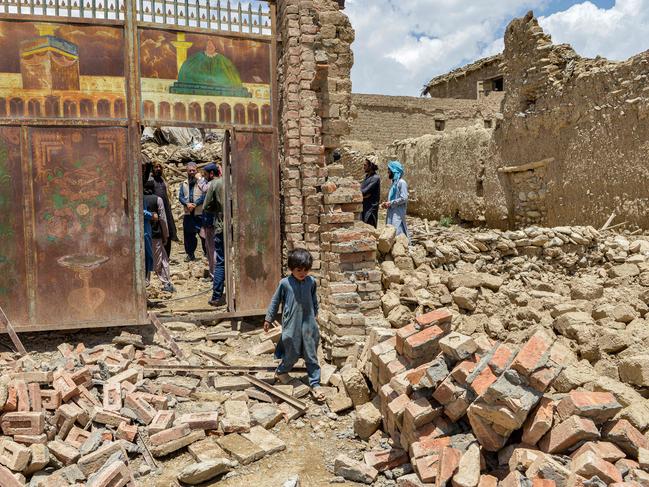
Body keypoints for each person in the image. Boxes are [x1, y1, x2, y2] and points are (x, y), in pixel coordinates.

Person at [263, 249, 324, 401]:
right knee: (291, 350)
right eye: (299, 270)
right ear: (291, 268)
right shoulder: (284, 283)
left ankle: (315, 383)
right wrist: (268, 319)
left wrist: (315, 315)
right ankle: (282, 371)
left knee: (311, 353)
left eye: (306, 270)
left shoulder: (311, 282)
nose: (303, 273)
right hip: (291, 324)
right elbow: (275, 301)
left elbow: (314, 300)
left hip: (309, 323)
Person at [143, 179, 175, 292]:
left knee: (145, 259)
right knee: (162, 259)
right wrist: (165, 234)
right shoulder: (158, 199)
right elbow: (162, 219)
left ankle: (145, 281)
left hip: (142, 234)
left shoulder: (139, 199)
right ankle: (166, 283)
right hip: (155, 234)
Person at [143, 157, 178, 259]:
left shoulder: (163, 180)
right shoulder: (150, 181)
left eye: (160, 167)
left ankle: (167, 256)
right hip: (155, 211)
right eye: (156, 167)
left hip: (166, 209)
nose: (158, 169)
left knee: (168, 232)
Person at [203, 163, 226, 307]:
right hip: (237, 227)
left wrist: (217, 209)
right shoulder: (231, 180)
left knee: (221, 262)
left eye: (206, 174)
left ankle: (217, 297)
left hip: (221, 226)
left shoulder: (213, 184)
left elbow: (206, 206)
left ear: (211, 174)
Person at [178, 162, 206, 262]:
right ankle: (190, 254)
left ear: (197, 171)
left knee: (203, 234)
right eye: (190, 171)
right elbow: (180, 196)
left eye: (193, 170)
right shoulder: (184, 183)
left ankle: (207, 253)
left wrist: (195, 204)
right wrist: (187, 204)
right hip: (188, 213)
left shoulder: (201, 182)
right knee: (188, 235)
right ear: (187, 171)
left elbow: (204, 195)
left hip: (199, 213)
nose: (192, 172)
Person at [382, 160, 409, 238]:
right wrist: (387, 204)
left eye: (389, 170)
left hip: (398, 213)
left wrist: (390, 203)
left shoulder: (402, 183)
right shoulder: (394, 183)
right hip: (392, 211)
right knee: (390, 231)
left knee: (397, 232)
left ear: (394, 171)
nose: (388, 172)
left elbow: (404, 198)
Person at [360, 156, 380, 227]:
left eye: (365, 165)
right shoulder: (367, 177)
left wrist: (363, 195)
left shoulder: (375, 178)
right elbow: (361, 191)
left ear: (371, 166)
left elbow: (364, 191)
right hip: (364, 208)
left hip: (370, 210)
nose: (363, 167)